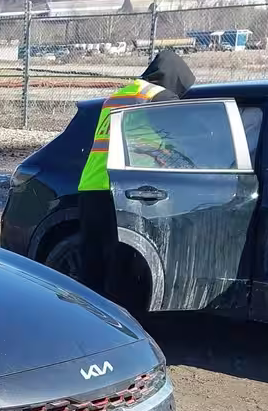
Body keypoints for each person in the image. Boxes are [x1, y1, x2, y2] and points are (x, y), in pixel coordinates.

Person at [77, 49, 195, 296]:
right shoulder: (160, 97)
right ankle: (118, 323)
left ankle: (88, 319)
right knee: (119, 265)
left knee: (93, 263)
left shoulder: (120, 94)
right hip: (123, 191)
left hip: (91, 184)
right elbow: (177, 140)